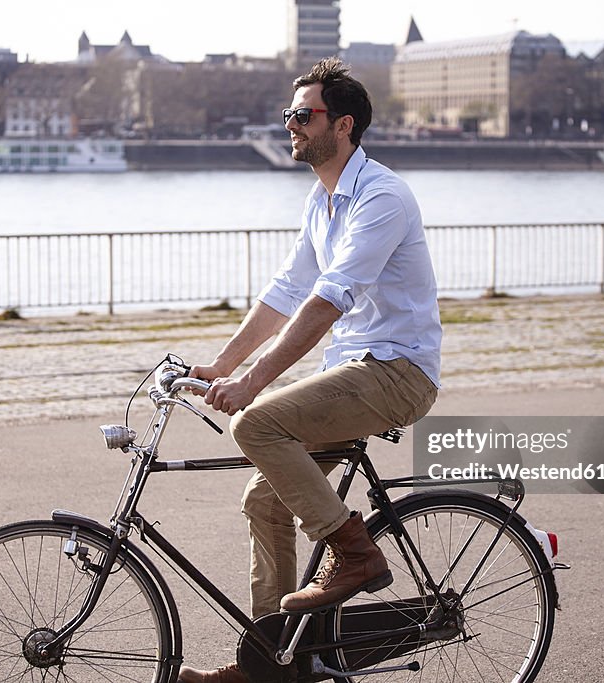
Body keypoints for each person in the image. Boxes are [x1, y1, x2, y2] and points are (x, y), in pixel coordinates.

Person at [177, 57, 442, 683]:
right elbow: (286, 290)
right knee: (265, 501)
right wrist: (222, 363)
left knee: (256, 426)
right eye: (288, 115)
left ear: (342, 125)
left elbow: (328, 300)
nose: (289, 125)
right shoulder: (321, 200)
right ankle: (273, 661)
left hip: (397, 371)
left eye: (302, 115)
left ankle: (354, 554)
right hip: (352, 369)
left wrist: (253, 383)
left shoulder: (380, 196)